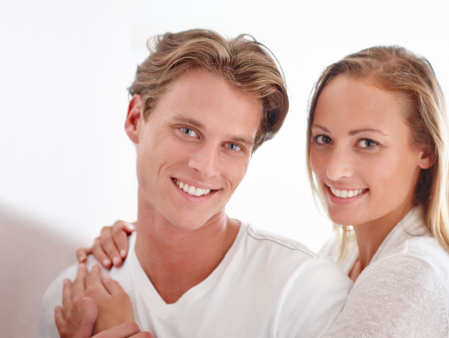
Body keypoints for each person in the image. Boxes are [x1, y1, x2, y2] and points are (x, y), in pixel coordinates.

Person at [83, 45, 449, 336]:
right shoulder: (345, 255)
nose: (335, 169)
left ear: (426, 149)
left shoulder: (410, 276)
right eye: (323, 139)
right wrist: (153, 239)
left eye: (367, 143)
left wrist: (120, 330)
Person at [36, 28, 352, 337]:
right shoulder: (73, 302)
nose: (205, 167)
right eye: (188, 131)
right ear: (135, 119)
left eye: (232, 146)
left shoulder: (304, 291)